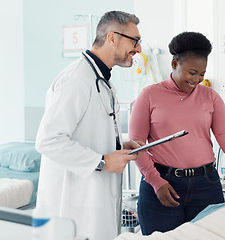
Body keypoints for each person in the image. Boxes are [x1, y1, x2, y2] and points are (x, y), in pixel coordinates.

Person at [128, 31, 225, 235]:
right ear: (174, 64)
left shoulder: (211, 97)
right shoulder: (149, 96)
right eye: (192, 72)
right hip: (163, 184)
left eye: (202, 74)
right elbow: (137, 145)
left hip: (206, 185)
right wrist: (155, 181)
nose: (197, 79)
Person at [35, 11, 144, 240]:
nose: (139, 49)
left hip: (94, 200)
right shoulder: (76, 80)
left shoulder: (101, 80)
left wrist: (117, 146)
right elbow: (48, 140)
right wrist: (102, 161)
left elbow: (87, 133)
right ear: (112, 37)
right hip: (72, 205)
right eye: (135, 41)